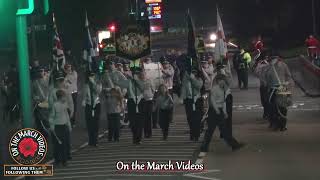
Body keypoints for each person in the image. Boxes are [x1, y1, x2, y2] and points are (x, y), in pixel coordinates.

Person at [199, 74, 244, 156]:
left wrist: (224, 112)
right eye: (222, 81)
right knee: (211, 130)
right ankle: (204, 147)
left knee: (223, 130)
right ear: (218, 81)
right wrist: (217, 110)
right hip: (214, 111)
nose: (223, 82)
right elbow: (212, 101)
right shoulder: (214, 89)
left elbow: (223, 102)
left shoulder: (222, 89)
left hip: (218, 111)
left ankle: (234, 145)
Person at [265, 52, 293, 131]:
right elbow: (288, 76)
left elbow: (266, 79)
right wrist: (287, 84)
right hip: (283, 87)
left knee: (273, 107)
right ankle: (283, 126)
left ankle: (275, 124)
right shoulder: (283, 65)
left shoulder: (268, 66)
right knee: (283, 107)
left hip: (272, 89)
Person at [49, 90, 72, 166]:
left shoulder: (65, 104)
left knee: (64, 144)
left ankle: (64, 161)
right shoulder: (55, 105)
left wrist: (69, 125)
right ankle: (57, 160)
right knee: (57, 144)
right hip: (57, 127)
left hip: (64, 126)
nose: (65, 98)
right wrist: (52, 127)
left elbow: (67, 116)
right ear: (60, 97)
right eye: (64, 97)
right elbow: (51, 117)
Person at [181, 69, 203, 141]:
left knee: (197, 119)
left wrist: (192, 78)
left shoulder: (199, 79)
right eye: (192, 72)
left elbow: (198, 86)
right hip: (189, 100)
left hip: (197, 100)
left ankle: (196, 135)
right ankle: (192, 133)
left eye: (194, 72)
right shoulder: (186, 78)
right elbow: (184, 87)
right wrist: (182, 98)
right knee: (190, 118)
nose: (193, 73)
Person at [82, 72, 102, 146]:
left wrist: (93, 83)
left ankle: (95, 141)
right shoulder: (86, 85)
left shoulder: (98, 83)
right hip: (89, 105)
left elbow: (98, 91)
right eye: (90, 76)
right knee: (89, 123)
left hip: (96, 104)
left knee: (95, 123)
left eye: (93, 76)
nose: (91, 77)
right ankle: (91, 140)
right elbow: (84, 94)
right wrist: (83, 100)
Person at [32, 67, 50, 137]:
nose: (41, 72)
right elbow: (32, 93)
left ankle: (47, 133)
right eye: (39, 71)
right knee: (40, 120)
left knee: (47, 119)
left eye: (42, 71)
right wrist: (35, 99)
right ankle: (43, 134)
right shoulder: (34, 82)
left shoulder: (48, 80)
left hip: (47, 103)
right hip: (39, 104)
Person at [136, 70, 155, 138]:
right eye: (141, 74)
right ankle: (144, 132)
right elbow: (140, 89)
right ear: (139, 75)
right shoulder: (137, 82)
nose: (142, 75)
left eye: (143, 74)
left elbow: (153, 89)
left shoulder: (149, 81)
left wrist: (152, 95)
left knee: (149, 117)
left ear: (145, 74)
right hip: (142, 101)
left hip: (149, 100)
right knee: (143, 117)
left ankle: (149, 133)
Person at [254, 56, 270, 120]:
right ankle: (267, 113)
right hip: (267, 85)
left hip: (265, 85)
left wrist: (259, 65)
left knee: (265, 100)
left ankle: (266, 113)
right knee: (266, 100)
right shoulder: (267, 64)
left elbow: (256, 73)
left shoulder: (262, 64)